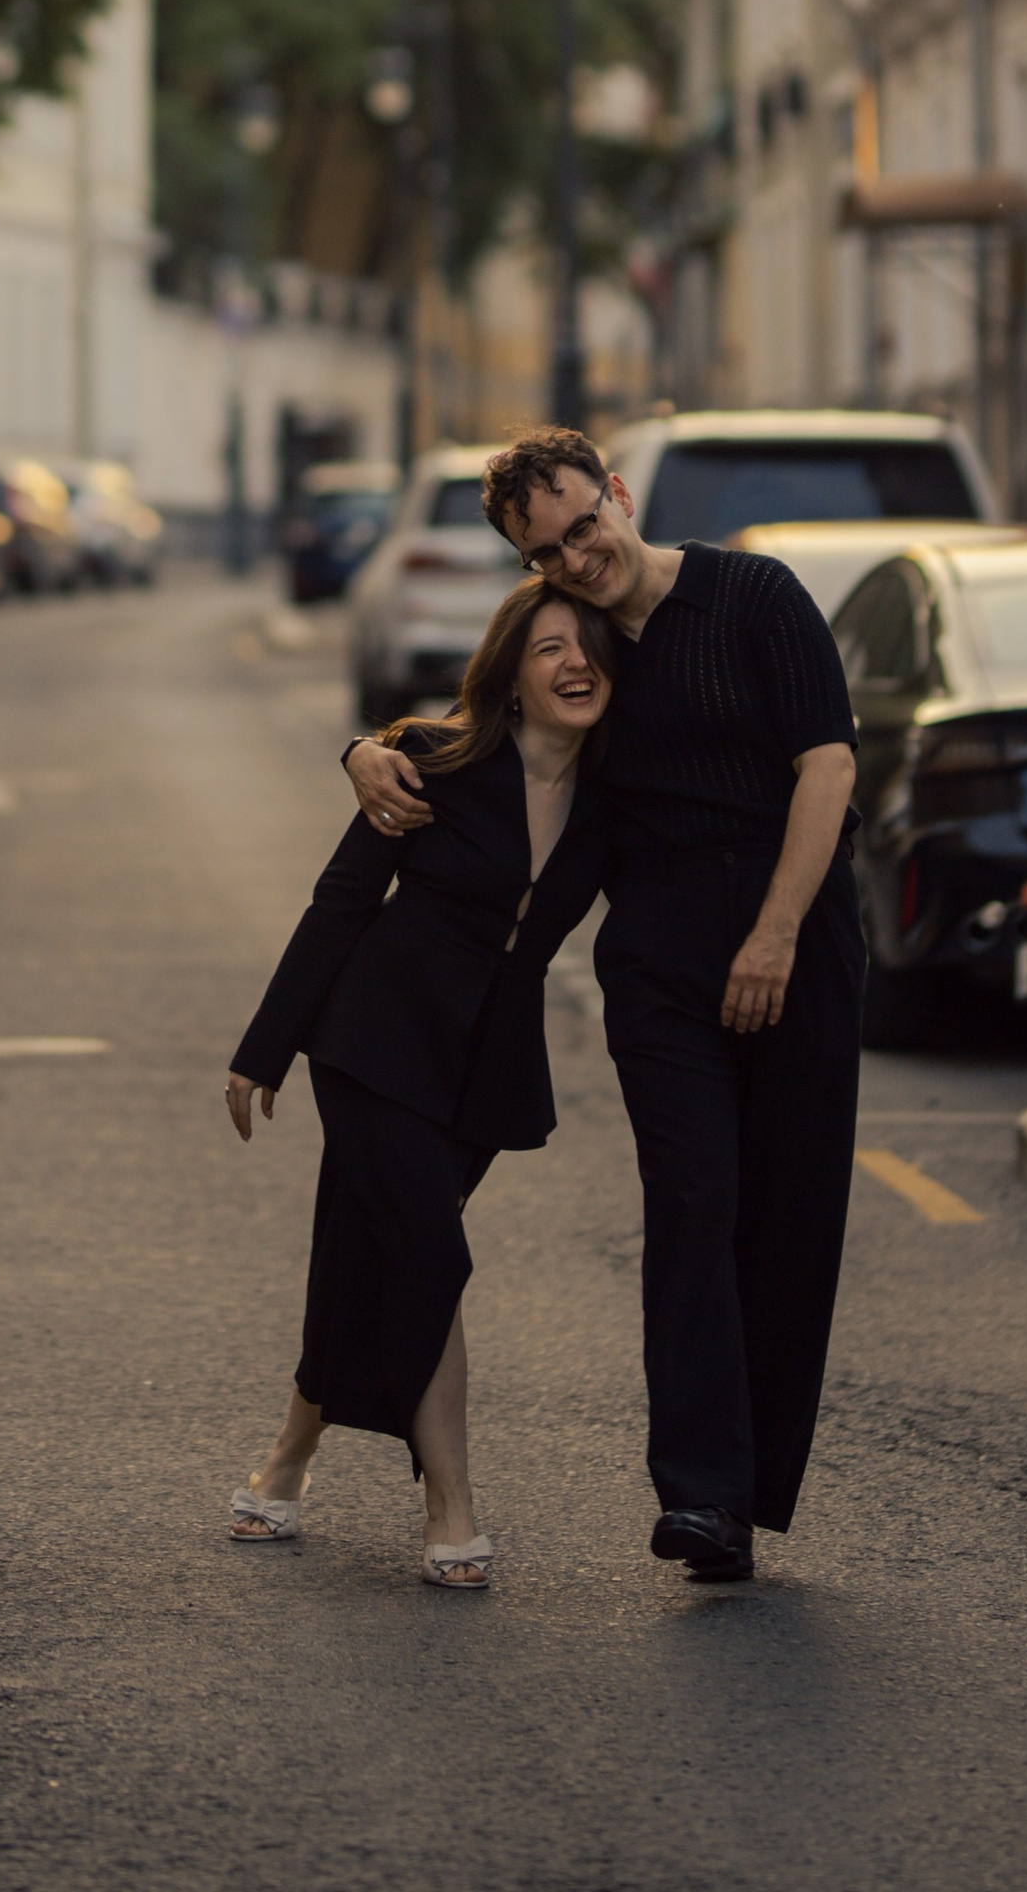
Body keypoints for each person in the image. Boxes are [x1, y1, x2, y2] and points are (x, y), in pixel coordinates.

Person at [345, 429, 861, 1587]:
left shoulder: (755, 595)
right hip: (662, 965)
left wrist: (774, 935)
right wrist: (359, 752)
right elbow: (481, 728)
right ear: (529, 565)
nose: (579, 556)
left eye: (585, 523)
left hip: (799, 935)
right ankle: (702, 1499)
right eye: (549, 549)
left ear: (618, 496)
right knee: (690, 1202)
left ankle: (751, 1487)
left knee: (785, 1220)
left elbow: (825, 767)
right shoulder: (584, 656)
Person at [223, 578, 618, 1591]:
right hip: (374, 1040)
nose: (575, 664)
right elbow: (344, 898)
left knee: (379, 1255)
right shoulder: (436, 764)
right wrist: (265, 1049)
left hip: (483, 1067)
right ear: (512, 678)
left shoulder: (619, 797)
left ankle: (286, 1458)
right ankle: (451, 1509)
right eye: (549, 650)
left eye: (590, 649)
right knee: (431, 1254)